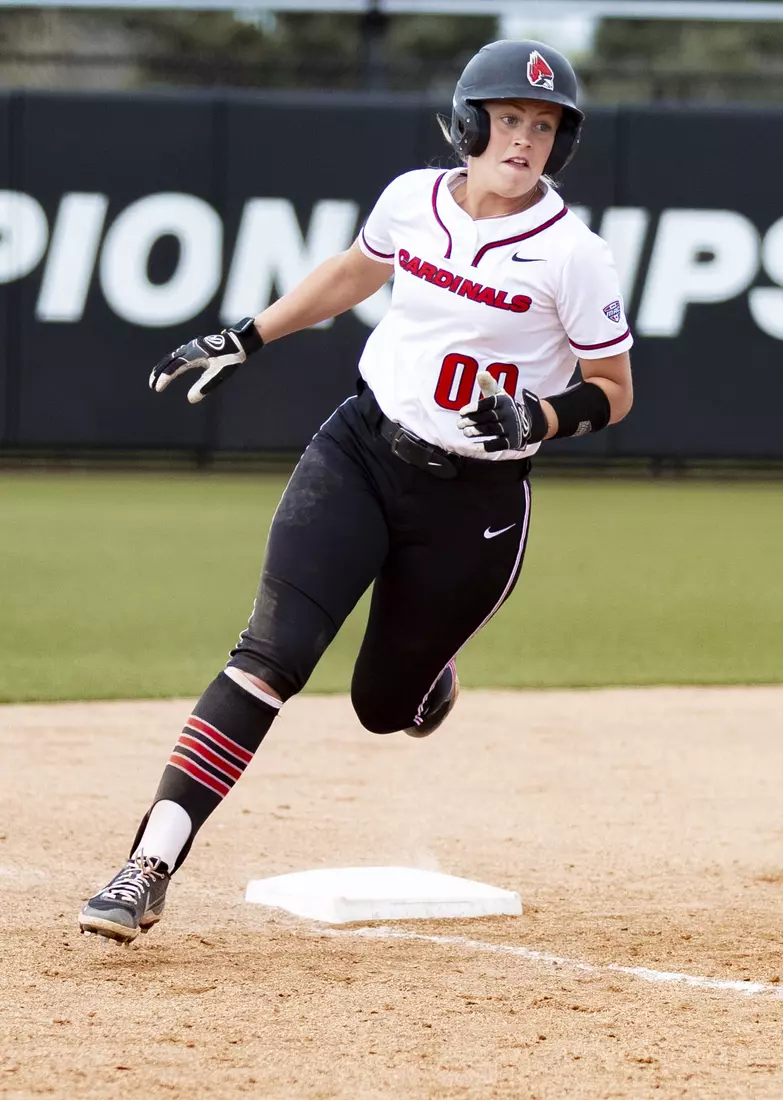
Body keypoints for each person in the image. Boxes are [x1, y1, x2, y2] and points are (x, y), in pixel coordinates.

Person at [79, 39, 633, 943]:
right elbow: (351, 273)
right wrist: (246, 336)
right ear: (467, 124)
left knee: (382, 709)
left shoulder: (574, 255)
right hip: (361, 452)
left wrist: (539, 416)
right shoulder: (412, 199)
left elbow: (612, 390)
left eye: (543, 126)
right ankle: (148, 865)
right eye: (507, 119)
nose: (523, 140)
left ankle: (424, 681)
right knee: (267, 657)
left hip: (475, 504)